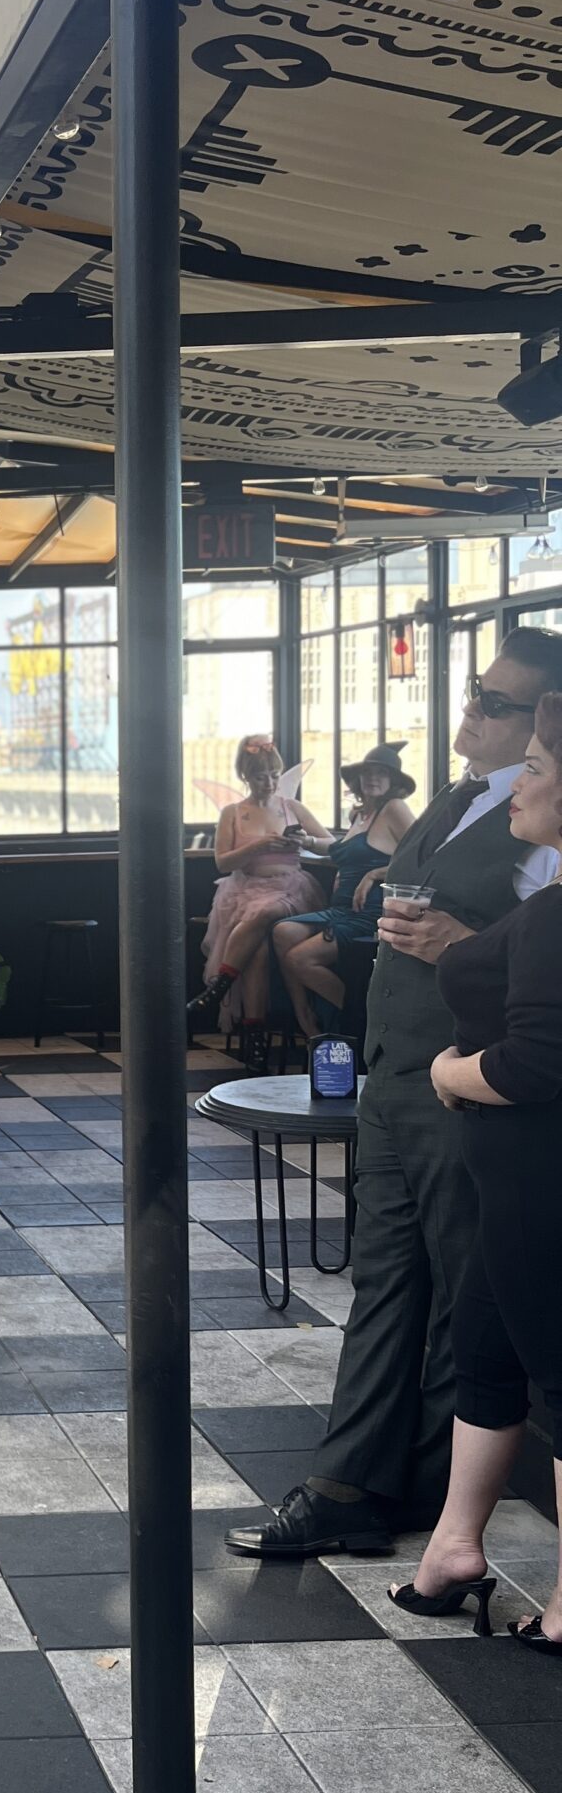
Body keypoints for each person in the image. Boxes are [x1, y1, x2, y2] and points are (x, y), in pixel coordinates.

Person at [229, 629, 562, 1560]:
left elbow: (545, 968)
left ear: (544, 720)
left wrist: (461, 941)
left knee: (463, 1296)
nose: (473, 709)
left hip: (468, 1086)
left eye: (498, 703)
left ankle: (422, 1492)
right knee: (383, 1279)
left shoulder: (539, 818)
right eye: (476, 689)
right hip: (393, 1071)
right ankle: (351, 1482)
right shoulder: (460, 797)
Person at [388, 689, 562, 1645]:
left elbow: (535, 1065)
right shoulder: (547, 903)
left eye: (533, 769)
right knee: (485, 1356)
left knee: (557, 1376)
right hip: (511, 1180)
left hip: (542, 1181)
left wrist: (450, 1073)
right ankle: (454, 1550)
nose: (517, 787)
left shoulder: (557, 916)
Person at [273, 743, 416, 1040]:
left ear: (393, 781)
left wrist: (373, 875)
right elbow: (338, 848)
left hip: (370, 913)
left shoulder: (394, 809)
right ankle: (306, 1019)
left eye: (381, 773)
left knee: (299, 959)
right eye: (367, 772)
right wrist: (306, 841)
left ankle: (365, 1018)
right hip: (341, 909)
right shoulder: (359, 815)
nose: (373, 778)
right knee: (283, 931)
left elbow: (421, 857)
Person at [191, 736, 330, 1037]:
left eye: (274, 776)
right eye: (260, 777)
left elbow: (331, 845)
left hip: (292, 889)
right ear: (245, 776)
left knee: (266, 911)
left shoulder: (292, 807)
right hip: (244, 890)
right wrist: (258, 846)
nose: (269, 783)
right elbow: (222, 863)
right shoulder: (232, 812)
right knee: (258, 951)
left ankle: (219, 986)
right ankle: (254, 1036)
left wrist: (306, 841)